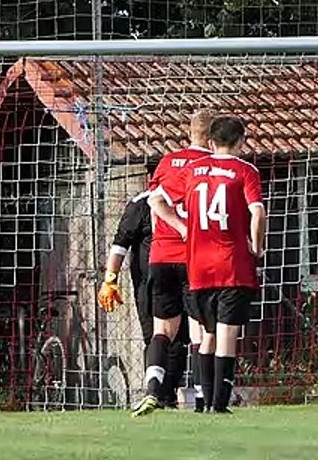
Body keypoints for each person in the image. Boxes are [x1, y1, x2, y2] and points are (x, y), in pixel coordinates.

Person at [98, 110, 214, 415]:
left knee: (164, 333)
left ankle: (157, 392)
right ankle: (200, 399)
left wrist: (109, 279)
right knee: (199, 330)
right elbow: (121, 242)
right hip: (192, 259)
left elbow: (154, 203)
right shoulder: (214, 167)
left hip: (160, 263)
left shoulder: (165, 169)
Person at [150, 115, 265, 414]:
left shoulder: (191, 171)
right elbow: (258, 213)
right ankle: (218, 404)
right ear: (241, 141)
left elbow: (155, 200)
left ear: (211, 142)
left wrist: (182, 227)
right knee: (227, 334)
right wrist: (258, 245)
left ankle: (204, 401)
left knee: (206, 334)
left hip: (198, 265)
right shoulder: (245, 170)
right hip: (232, 263)